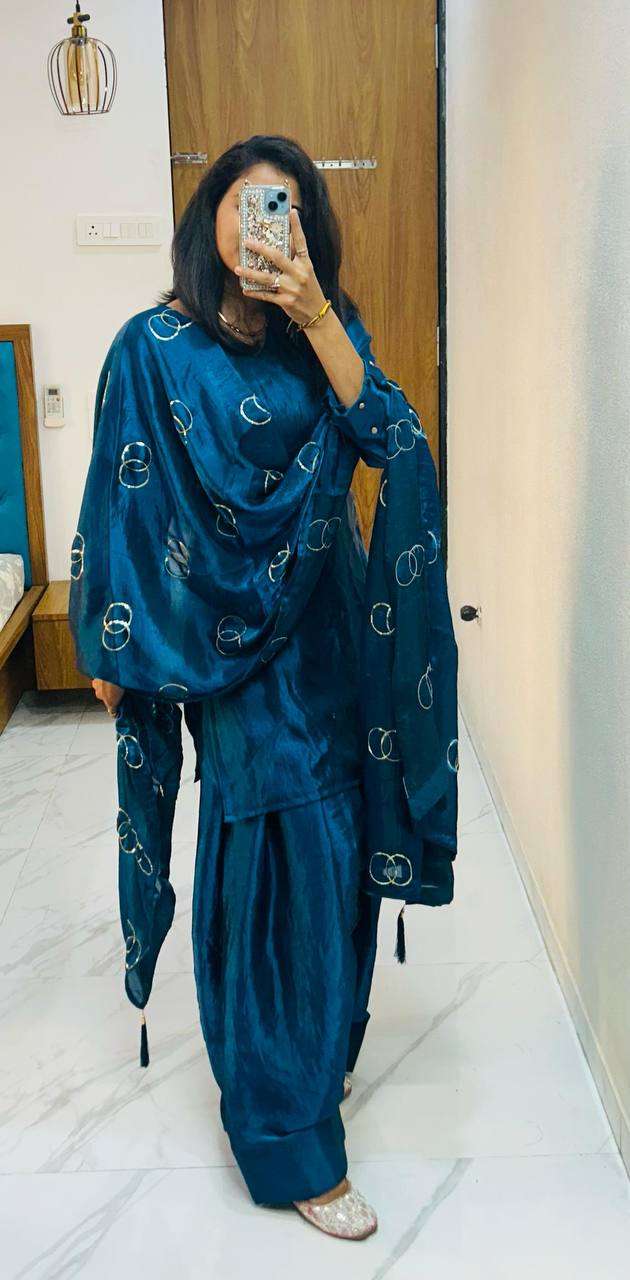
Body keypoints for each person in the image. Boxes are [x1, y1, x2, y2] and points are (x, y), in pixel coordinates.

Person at [70, 134, 459, 1242]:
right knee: (277, 864)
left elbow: (395, 440)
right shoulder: (153, 348)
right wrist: (110, 642)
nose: (262, 231)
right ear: (210, 223)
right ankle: (287, 1137)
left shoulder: (324, 335)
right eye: (245, 207)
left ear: (307, 230)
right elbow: (114, 498)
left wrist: (320, 316)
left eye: (283, 210)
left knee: (339, 855)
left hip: (332, 639)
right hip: (228, 662)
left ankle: (317, 1051)